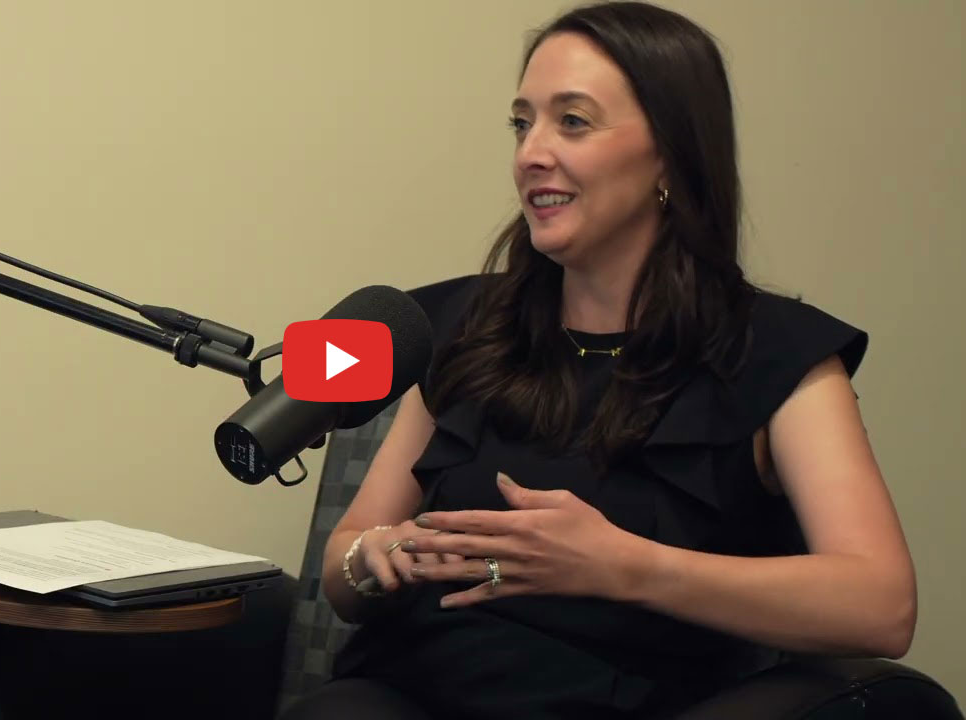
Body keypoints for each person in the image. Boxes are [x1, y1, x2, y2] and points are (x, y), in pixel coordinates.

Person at [278, 2, 917, 719]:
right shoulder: (455, 327)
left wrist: (626, 567)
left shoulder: (778, 356)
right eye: (523, 123)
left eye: (572, 122)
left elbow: (881, 607)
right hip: (412, 696)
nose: (530, 153)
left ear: (672, 154)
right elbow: (342, 564)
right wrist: (372, 560)